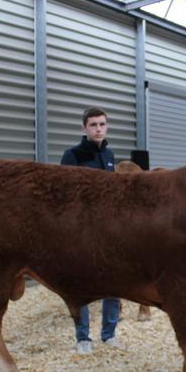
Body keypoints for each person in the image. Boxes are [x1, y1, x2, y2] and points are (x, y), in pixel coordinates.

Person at [60, 107, 121, 354]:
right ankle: (82, 337)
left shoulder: (109, 155)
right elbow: (64, 194)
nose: (98, 129)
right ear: (83, 128)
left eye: (102, 124)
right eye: (93, 124)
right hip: (83, 230)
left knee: (115, 282)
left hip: (109, 229)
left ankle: (109, 334)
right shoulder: (72, 155)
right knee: (81, 283)